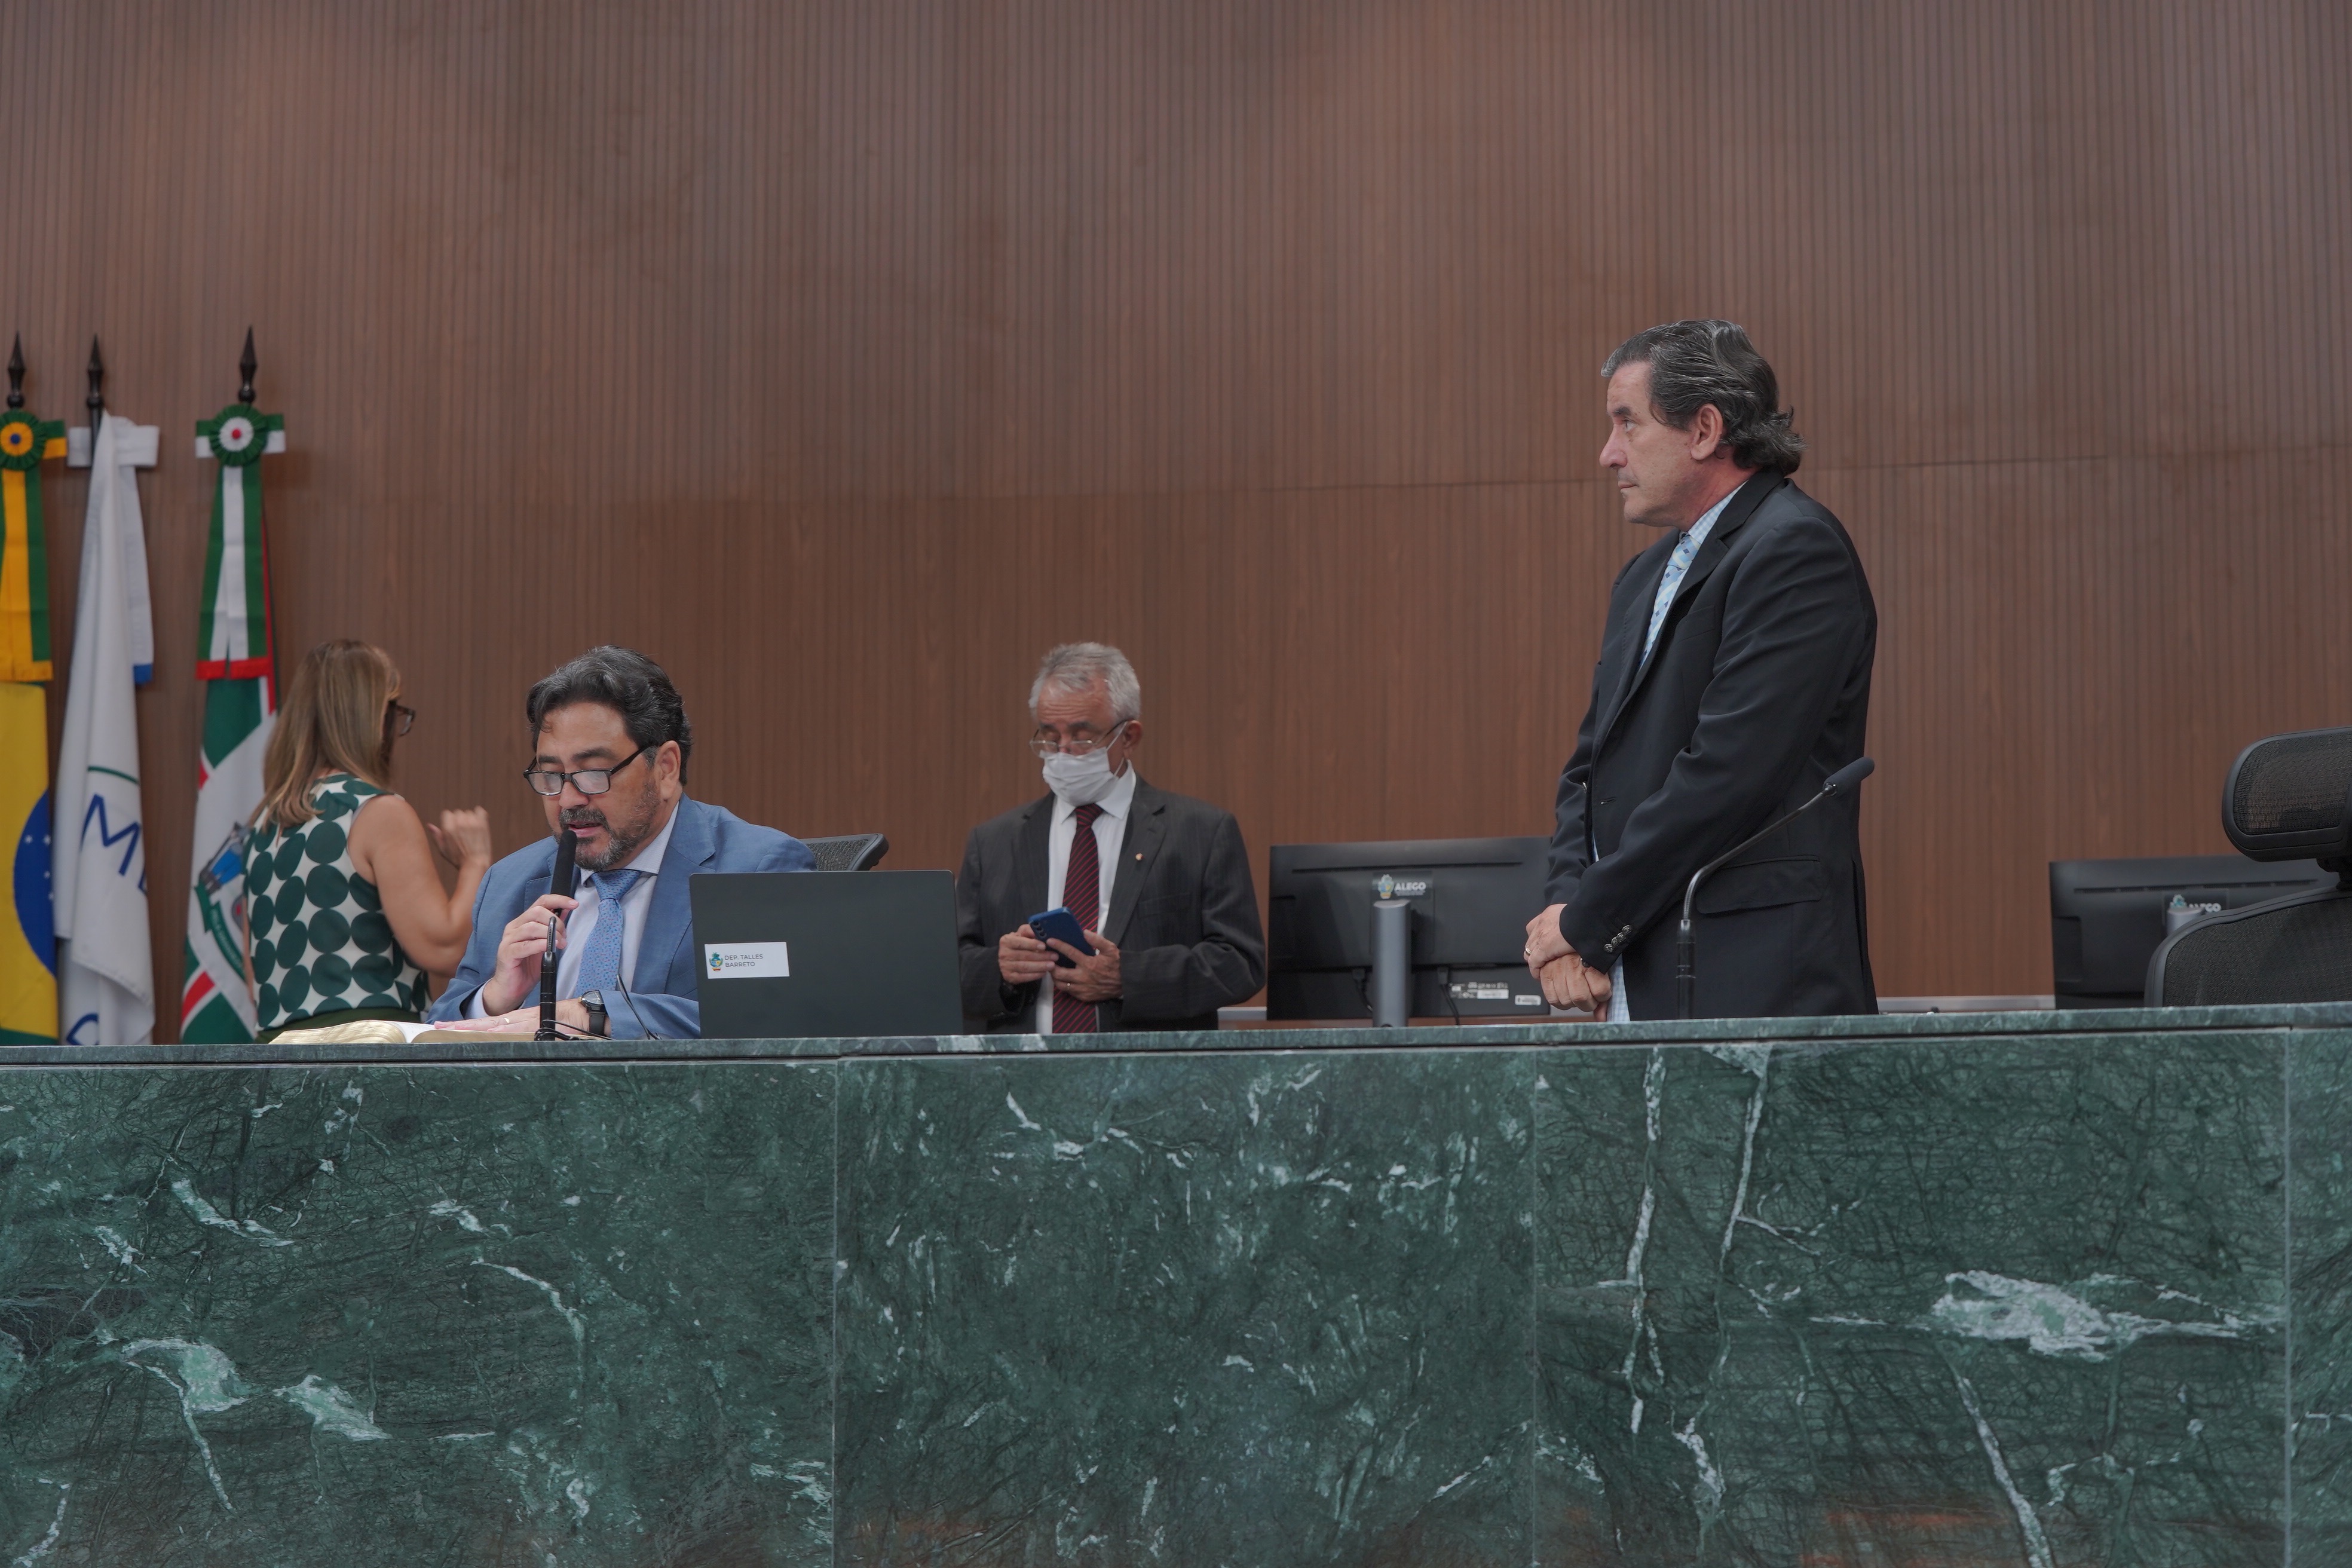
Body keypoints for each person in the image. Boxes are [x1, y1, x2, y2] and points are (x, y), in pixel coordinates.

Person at [1524, 320, 1876, 1019]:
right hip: (1634, 970)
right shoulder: (1643, 575)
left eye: (1627, 422)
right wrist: (1565, 914)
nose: (1608, 453)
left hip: (1752, 984)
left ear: (1705, 430)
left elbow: (1727, 774)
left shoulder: (1794, 550)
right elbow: (1589, 771)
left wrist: (1587, 921)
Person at [428, 646, 816, 1038]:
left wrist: (592, 1015)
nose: (568, 800)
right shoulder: (509, 882)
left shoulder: (754, 871)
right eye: (552, 775)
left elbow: (773, 1020)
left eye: (594, 773)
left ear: (665, 769)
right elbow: (433, 1030)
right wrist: (497, 998)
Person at [956, 642, 1265, 1034]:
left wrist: (1129, 977)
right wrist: (999, 969)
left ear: (1129, 737)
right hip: (1023, 1068)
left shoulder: (1201, 832)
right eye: (1050, 737)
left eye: (1082, 737)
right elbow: (949, 971)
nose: (1063, 753)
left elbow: (1241, 963)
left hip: (1150, 1066)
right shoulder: (993, 842)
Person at [244, 639, 494, 1041]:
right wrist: (475, 862)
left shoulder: (262, 825)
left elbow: (255, 978)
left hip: (277, 1055)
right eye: (395, 713)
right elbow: (444, 949)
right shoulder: (376, 812)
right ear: (374, 717)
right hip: (368, 1047)